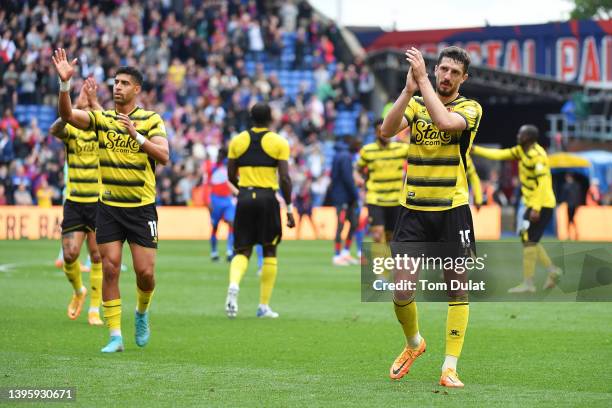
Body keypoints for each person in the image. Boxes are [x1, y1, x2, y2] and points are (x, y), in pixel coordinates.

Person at [52, 48, 169, 353]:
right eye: (115, 82)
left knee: (146, 274)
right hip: (109, 208)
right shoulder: (101, 119)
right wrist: (65, 85)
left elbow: (165, 156)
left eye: (124, 83)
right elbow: (66, 116)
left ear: (137, 89)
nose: (117, 86)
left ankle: (142, 313)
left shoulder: (151, 119)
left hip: (142, 208)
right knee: (111, 268)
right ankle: (115, 335)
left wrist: (137, 137)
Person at [381, 46, 482, 387]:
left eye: (454, 72)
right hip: (413, 210)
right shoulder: (416, 100)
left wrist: (421, 79)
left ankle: (450, 367)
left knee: (457, 287)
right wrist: (409, 89)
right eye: (443, 69)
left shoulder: (470, 108)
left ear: (463, 78)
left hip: (452, 209)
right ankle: (414, 344)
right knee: (401, 291)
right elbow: (387, 130)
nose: (447, 76)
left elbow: (444, 122)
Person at [224, 102, 295, 319]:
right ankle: (263, 306)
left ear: (250, 117)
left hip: (245, 197)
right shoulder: (279, 142)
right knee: (269, 250)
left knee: (242, 250)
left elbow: (230, 175)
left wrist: (244, 190)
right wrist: (289, 208)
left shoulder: (237, 141)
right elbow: (284, 177)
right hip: (267, 199)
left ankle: (234, 284)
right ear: (271, 118)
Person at [472, 124, 562, 292]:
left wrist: (536, 208)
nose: (518, 136)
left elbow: (543, 183)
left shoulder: (538, 155)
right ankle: (551, 271)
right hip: (532, 204)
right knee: (527, 238)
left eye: (521, 134)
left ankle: (530, 283)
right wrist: (476, 149)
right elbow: (500, 154)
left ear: (528, 137)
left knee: (528, 240)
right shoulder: (522, 151)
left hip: (541, 204)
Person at [49, 78, 104, 325]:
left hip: (98, 202)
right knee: (70, 255)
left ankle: (94, 308)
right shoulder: (72, 131)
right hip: (74, 200)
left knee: (97, 255)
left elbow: (115, 126)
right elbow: (55, 130)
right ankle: (79, 291)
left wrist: (94, 102)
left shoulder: (102, 133)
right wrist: (72, 109)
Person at [357, 118, 409, 245]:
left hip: (396, 199)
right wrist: (358, 181)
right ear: (376, 133)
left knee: (391, 237)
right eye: (381, 131)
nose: (385, 134)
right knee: (377, 234)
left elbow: (418, 160)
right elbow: (358, 169)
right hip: (375, 198)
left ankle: (388, 263)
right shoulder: (367, 151)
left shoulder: (402, 148)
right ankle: (379, 263)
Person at [329, 137, 360, 266]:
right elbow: (348, 179)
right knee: (341, 225)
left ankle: (345, 252)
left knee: (353, 223)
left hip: (344, 197)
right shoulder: (345, 157)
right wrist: (355, 194)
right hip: (343, 197)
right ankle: (337, 255)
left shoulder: (340, 155)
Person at [208, 147, 238, 262]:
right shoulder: (213, 168)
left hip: (227, 199)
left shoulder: (228, 166)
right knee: (215, 226)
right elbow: (208, 184)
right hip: (215, 199)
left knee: (231, 223)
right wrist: (208, 200)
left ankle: (229, 251)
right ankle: (214, 252)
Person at [561, 173, 582, 240]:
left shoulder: (567, 186)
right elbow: (579, 196)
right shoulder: (577, 185)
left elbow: (564, 196)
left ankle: (570, 234)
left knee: (570, 219)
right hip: (575, 205)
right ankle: (574, 233)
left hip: (571, 205)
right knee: (571, 219)